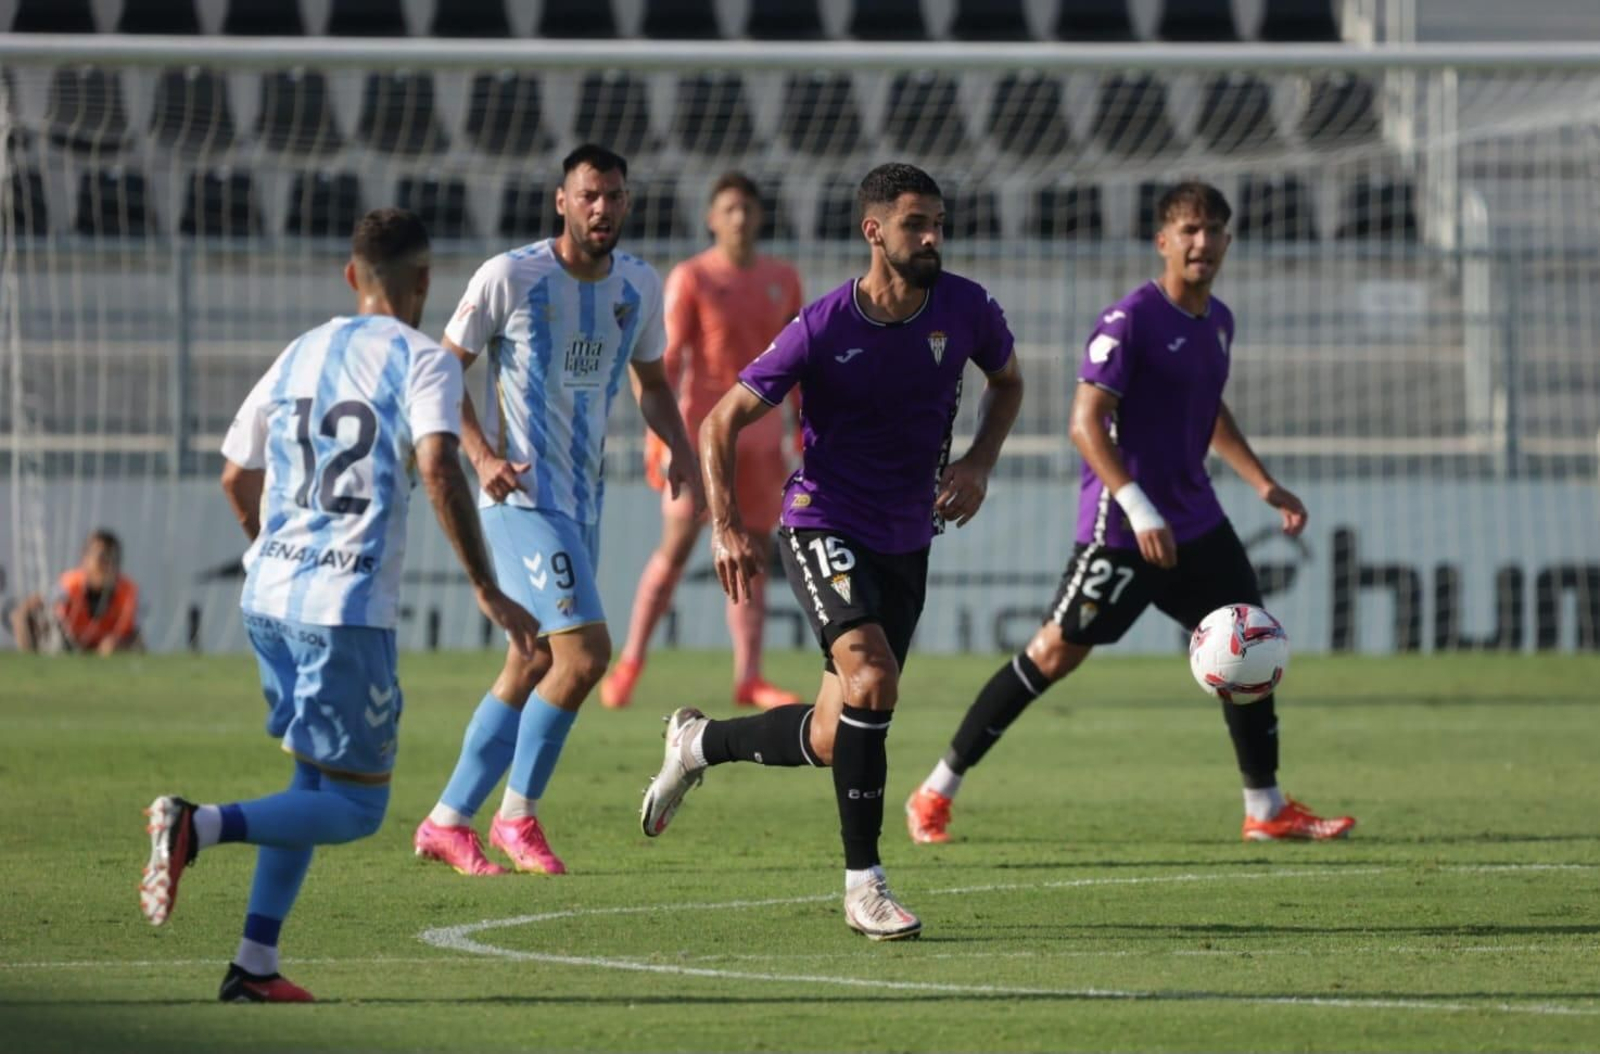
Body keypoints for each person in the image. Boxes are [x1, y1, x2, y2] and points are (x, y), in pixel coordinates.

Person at [137, 207, 540, 1003]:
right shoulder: (423, 361)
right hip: (342, 608)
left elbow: (232, 471)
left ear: (352, 278)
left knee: (313, 787)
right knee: (357, 808)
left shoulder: (301, 350)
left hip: (270, 601)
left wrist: (268, 544)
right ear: (425, 281)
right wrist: (488, 586)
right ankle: (197, 825)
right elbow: (438, 465)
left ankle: (254, 963)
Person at [905, 181, 1356, 847]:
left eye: (1213, 232)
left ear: (1228, 242)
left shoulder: (1218, 322)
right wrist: (1138, 508)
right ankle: (934, 792)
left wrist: (1262, 483)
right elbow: (1085, 424)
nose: (1201, 243)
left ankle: (1265, 808)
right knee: (1052, 655)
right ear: (1164, 241)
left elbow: (1209, 409)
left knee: (1251, 640)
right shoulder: (1131, 320)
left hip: (1196, 522)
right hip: (1121, 530)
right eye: (1189, 230)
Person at [639, 163, 1024, 940]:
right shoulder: (824, 326)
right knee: (873, 679)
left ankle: (697, 742)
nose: (933, 237)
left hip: (908, 537)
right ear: (873, 230)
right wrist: (723, 525)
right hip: (823, 521)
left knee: (831, 730)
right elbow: (720, 423)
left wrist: (979, 460)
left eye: (939, 222)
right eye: (917, 224)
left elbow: (1008, 382)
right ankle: (864, 886)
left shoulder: (966, 307)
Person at [414, 144, 703, 877]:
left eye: (613, 195)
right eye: (588, 195)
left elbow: (652, 380)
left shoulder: (637, 286)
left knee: (534, 655)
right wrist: (479, 457)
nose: (601, 207)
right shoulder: (511, 276)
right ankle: (517, 816)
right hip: (519, 497)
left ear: (626, 203)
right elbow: (444, 369)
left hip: (583, 500)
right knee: (585, 655)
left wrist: (679, 444)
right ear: (561, 201)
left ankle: (447, 820)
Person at [599, 171, 805, 712]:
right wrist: (658, 441)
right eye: (729, 208)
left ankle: (749, 677)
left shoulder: (783, 278)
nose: (739, 217)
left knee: (755, 554)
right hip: (697, 437)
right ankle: (631, 662)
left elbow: (801, 366)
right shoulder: (691, 278)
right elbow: (665, 362)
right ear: (712, 218)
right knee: (676, 546)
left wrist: (804, 432)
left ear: (759, 217)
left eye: (747, 208)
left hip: (761, 440)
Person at [7, 529, 142, 654]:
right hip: (66, 645)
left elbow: (131, 636)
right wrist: (28, 654)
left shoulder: (127, 591)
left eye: (114, 559)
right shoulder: (70, 586)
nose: (108, 565)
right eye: (102, 558)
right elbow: (23, 613)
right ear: (85, 560)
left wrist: (118, 645)